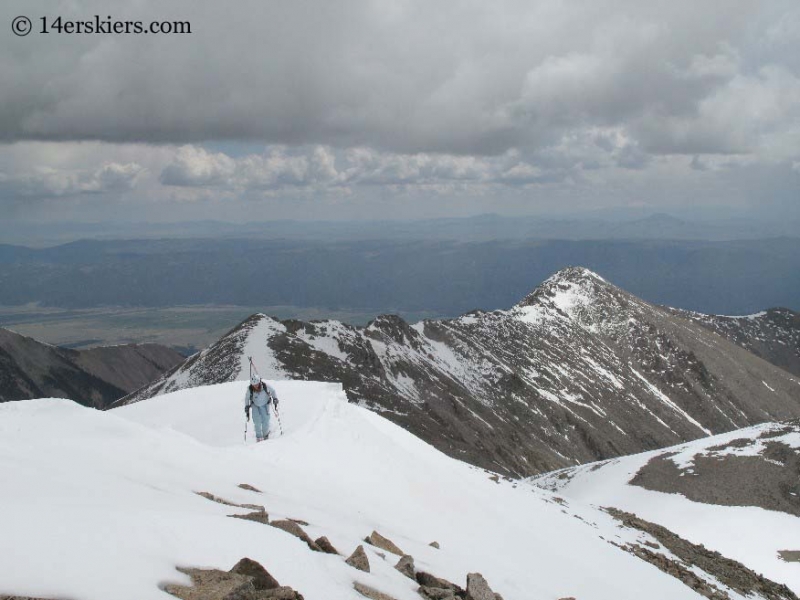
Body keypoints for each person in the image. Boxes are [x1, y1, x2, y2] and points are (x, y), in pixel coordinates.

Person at [244, 375, 279, 442]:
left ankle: (265, 435)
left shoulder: (265, 386)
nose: (255, 386)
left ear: (259, 382)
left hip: (265, 404)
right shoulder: (250, 389)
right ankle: (259, 437)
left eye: (257, 384)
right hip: (255, 405)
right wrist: (246, 406)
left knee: (265, 420)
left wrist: (275, 398)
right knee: (257, 421)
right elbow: (247, 398)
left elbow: (273, 391)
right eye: (254, 385)